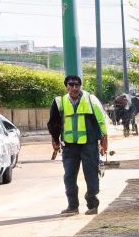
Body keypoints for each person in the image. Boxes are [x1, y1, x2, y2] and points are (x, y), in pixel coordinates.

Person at [48, 75, 112, 216]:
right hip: (69, 146)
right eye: (71, 85)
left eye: (77, 85)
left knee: (91, 174)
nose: (74, 88)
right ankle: (72, 206)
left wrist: (104, 138)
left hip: (89, 144)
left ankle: (92, 204)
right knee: (69, 176)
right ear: (66, 86)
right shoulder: (59, 102)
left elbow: (100, 120)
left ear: (80, 86)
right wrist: (55, 139)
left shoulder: (90, 99)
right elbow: (53, 123)